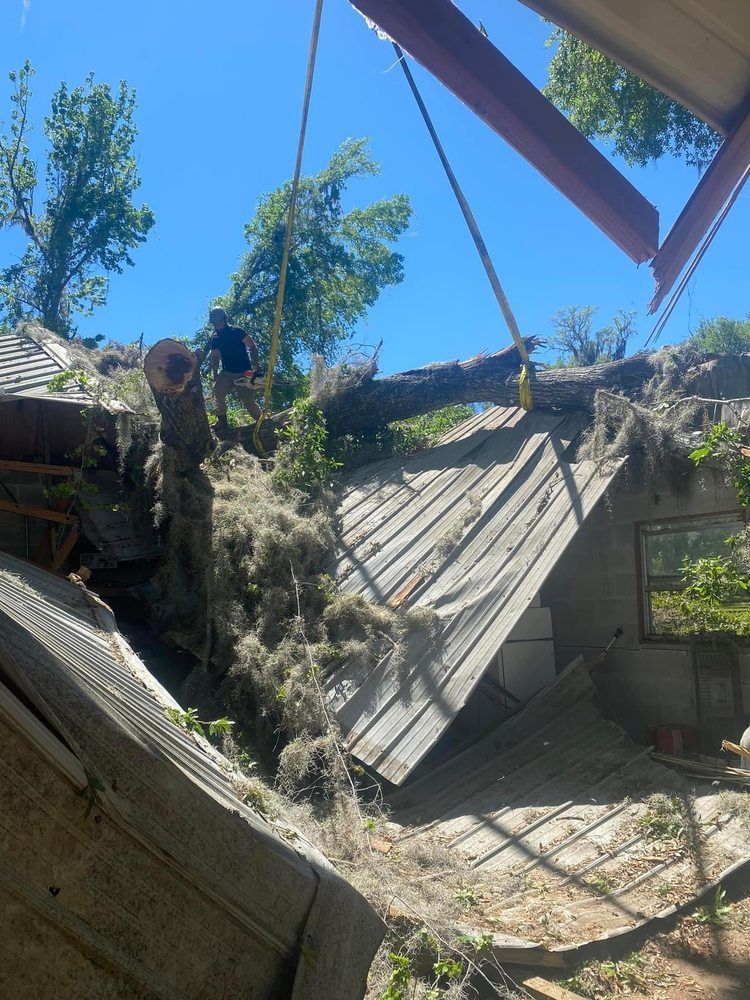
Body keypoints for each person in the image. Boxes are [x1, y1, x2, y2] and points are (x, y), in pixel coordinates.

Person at [208, 307, 261, 429]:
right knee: (217, 391)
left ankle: (262, 420)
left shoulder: (237, 332)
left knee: (247, 400)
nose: (218, 325)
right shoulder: (215, 338)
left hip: (243, 372)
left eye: (219, 321)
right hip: (227, 372)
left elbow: (252, 346)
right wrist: (215, 373)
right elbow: (215, 356)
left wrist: (256, 365)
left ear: (224, 319)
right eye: (215, 323)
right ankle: (222, 421)